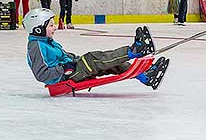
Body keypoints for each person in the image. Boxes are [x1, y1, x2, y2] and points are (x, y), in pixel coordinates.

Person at [23, 8, 168, 88]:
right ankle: (134, 51)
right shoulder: (36, 46)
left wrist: (73, 59)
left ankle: (145, 76)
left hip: (69, 70)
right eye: (50, 25)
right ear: (38, 29)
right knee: (92, 59)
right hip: (63, 78)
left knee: (110, 63)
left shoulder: (46, 41)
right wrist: (63, 68)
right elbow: (41, 74)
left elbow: (63, 55)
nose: (54, 27)